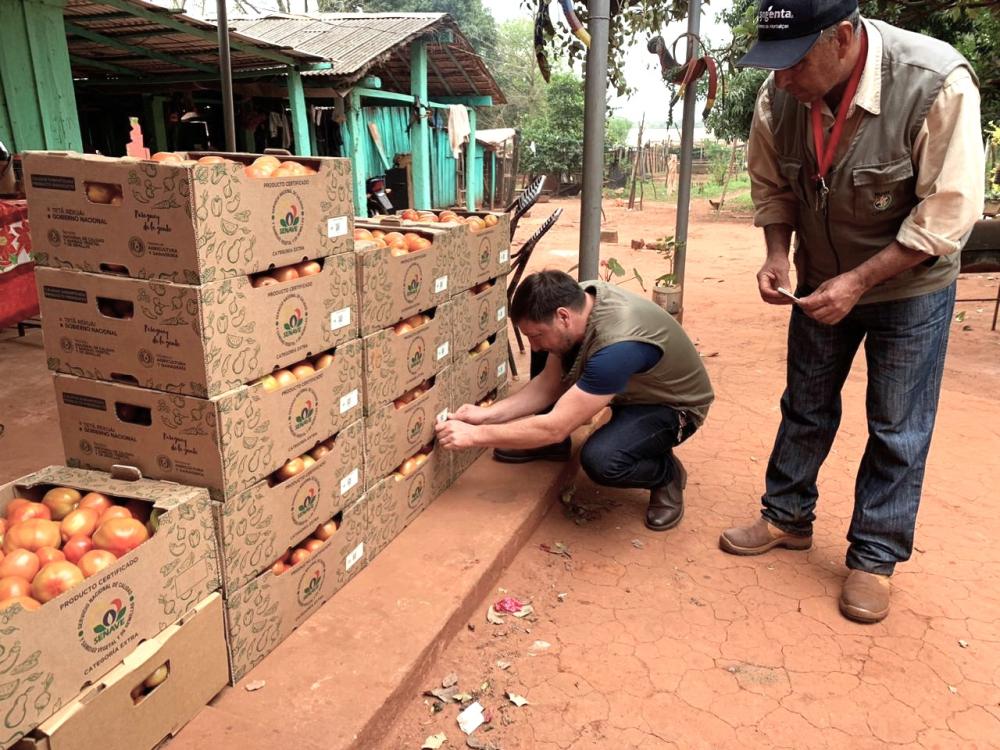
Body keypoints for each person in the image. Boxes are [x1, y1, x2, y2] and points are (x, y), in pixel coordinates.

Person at [720, 0, 984, 623]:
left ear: (842, 39)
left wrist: (859, 282)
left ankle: (874, 555)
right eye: (774, 64)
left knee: (898, 423)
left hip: (908, 285)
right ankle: (786, 515)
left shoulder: (934, 81)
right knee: (805, 401)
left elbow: (948, 212)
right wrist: (777, 254)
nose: (782, 79)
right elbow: (772, 184)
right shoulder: (779, 93)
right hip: (818, 278)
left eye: (794, 62)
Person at [435, 270, 714, 531]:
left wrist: (475, 435)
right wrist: (484, 415)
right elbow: (547, 385)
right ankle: (550, 448)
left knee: (602, 460)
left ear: (563, 316)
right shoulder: (577, 301)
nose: (532, 346)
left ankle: (666, 474)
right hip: (630, 389)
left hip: (672, 406)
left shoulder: (616, 348)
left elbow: (555, 426)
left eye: (535, 335)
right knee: (551, 347)